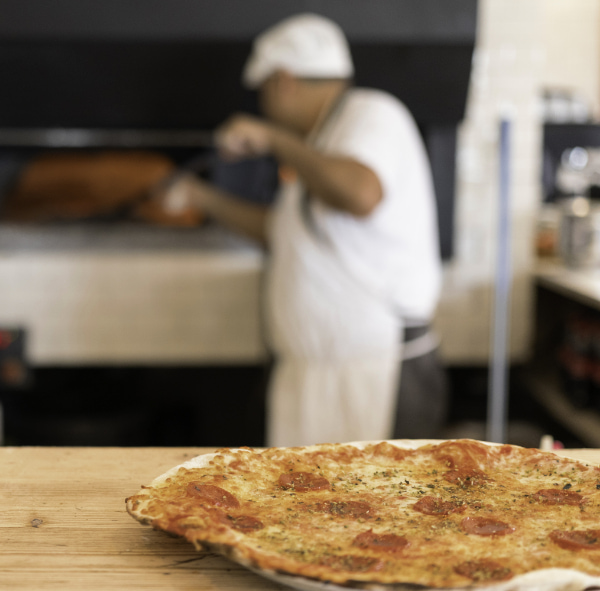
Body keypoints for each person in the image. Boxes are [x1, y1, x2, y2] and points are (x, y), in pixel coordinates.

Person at [159, 13, 446, 447]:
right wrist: (201, 198)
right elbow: (284, 233)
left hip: (375, 370)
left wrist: (272, 139)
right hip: (320, 374)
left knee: (383, 508)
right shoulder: (322, 145)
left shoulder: (372, 113)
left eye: (264, 95)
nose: (265, 106)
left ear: (284, 82)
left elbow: (360, 194)